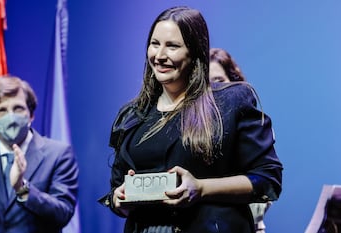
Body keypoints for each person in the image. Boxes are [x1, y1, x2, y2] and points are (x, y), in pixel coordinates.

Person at [99, 6, 283, 233]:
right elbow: (117, 188)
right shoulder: (131, 115)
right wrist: (119, 199)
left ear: (195, 52)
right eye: (155, 44)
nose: (160, 55)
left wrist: (201, 188)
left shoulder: (230, 102)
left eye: (172, 46)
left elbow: (267, 179)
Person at [0, 75, 79, 233]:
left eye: (18, 108)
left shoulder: (58, 154)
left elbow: (63, 214)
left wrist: (21, 188)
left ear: (31, 115)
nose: (10, 117)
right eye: (1, 111)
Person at [210, 47, 272, 233]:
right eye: (204, 83)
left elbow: (265, 184)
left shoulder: (251, 126)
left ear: (234, 82)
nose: (212, 89)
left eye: (219, 81)